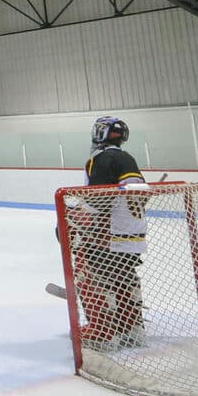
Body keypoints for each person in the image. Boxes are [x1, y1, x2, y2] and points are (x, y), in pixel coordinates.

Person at [70, 116, 150, 349]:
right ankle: (132, 329)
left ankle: (103, 331)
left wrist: (70, 218)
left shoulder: (101, 159)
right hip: (133, 234)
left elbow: (98, 201)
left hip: (109, 233)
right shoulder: (127, 158)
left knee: (90, 274)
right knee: (124, 278)